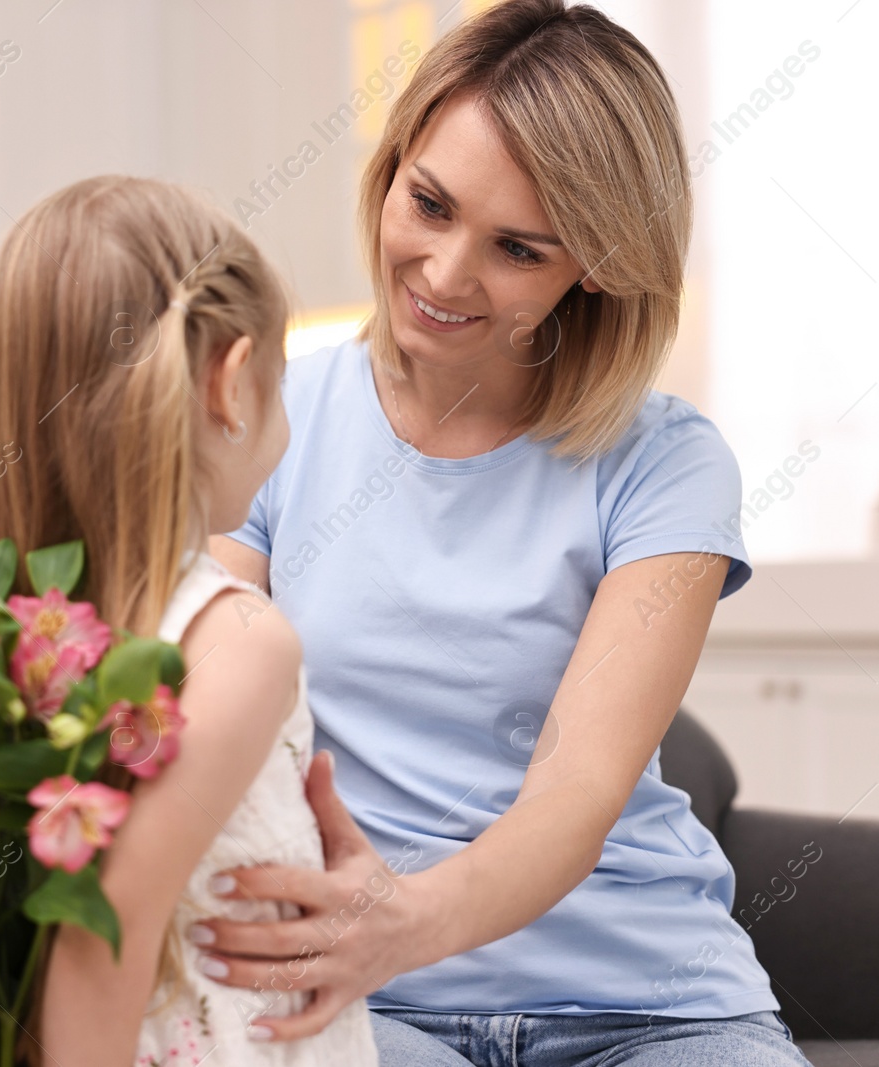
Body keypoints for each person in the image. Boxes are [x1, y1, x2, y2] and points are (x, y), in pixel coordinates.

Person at [195, 1, 815, 1063]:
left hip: (647, 1001)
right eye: (427, 203)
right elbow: (197, 706)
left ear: (597, 264)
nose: (442, 274)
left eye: (517, 248)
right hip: (370, 1006)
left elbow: (575, 790)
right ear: (389, 169)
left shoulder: (665, 461)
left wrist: (405, 922)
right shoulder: (268, 418)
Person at [0, 175, 380, 1066]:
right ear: (231, 383)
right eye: (281, 383)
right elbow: (102, 943)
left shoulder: (8, 645)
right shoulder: (237, 641)